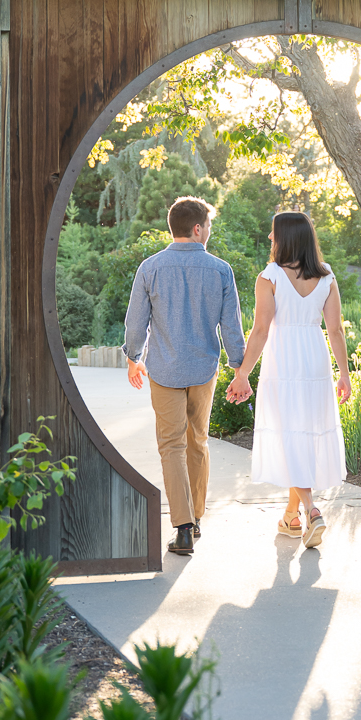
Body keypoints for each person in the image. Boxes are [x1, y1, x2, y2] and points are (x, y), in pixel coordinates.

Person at [123, 196, 245, 557]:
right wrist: (239, 369)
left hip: (164, 370)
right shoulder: (220, 270)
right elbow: (231, 326)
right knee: (198, 442)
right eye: (208, 225)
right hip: (204, 370)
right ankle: (197, 518)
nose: (209, 231)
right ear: (197, 228)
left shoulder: (150, 268)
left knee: (171, 446)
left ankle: (183, 528)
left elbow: (136, 323)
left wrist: (133, 359)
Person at [226, 211, 350, 547]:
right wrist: (344, 374)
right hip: (315, 358)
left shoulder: (269, 277)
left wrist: (243, 374)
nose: (270, 237)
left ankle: (311, 510)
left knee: (288, 435)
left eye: (273, 232)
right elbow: (335, 330)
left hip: (283, 360)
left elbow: (261, 330)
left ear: (286, 237)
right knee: (302, 435)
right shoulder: (326, 276)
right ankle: (291, 517)